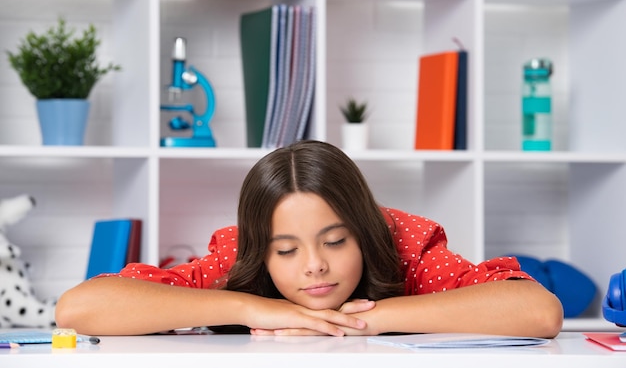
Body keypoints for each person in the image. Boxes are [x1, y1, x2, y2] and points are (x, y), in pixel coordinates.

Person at [55, 140, 563, 337]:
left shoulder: (403, 242)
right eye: (286, 250)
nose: (314, 265)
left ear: (365, 232)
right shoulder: (237, 257)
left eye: (336, 242)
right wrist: (255, 309)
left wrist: (365, 320)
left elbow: (538, 311)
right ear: (261, 249)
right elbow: (80, 308)